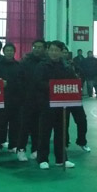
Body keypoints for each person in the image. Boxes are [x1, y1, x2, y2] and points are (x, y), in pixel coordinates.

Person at [33, 40, 76, 169]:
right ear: (48, 51)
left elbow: (73, 81)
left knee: (61, 132)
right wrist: (53, 87)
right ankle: (42, 159)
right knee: (44, 132)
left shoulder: (66, 66)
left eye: (57, 50)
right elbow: (37, 83)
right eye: (51, 50)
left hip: (62, 104)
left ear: (61, 52)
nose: (54, 53)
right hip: (46, 104)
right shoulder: (42, 66)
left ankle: (61, 159)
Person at [18, 39, 47, 161]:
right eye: (35, 47)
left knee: (38, 127)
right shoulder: (25, 62)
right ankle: (21, 149)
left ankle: (35, 149)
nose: (37, 49)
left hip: (42, 100)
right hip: (27, 100)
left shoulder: (46, 63)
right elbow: (19, 80)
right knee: (24, 126)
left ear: (44, 49)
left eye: (40, 47)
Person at [0, 43, 22, 153]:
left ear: (14, 52)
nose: (9, 52)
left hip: (15, 99)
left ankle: (13, 144)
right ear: (3, 52)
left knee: (15, 123)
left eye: (11, 50)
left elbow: (22, 81)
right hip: (0, 98)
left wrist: (10, 84)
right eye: (7, 50)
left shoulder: (18, 65)